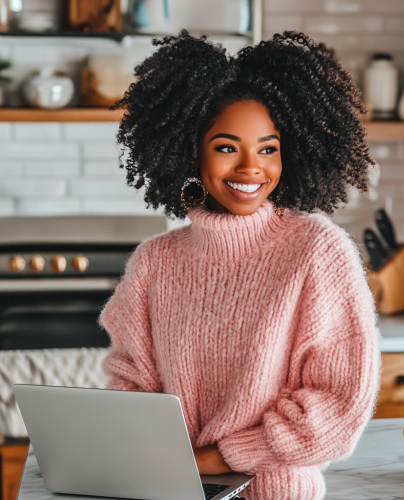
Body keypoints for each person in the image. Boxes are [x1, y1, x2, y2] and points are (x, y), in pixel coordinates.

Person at [100, 30, 380, 500]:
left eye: (268, 149)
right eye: (227, 147)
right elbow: (131, 383)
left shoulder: (318, 252)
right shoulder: (155, 263)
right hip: (169, 490)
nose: (252, 168)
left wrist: (221, 457)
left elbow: (338, 406)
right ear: (192, 151)